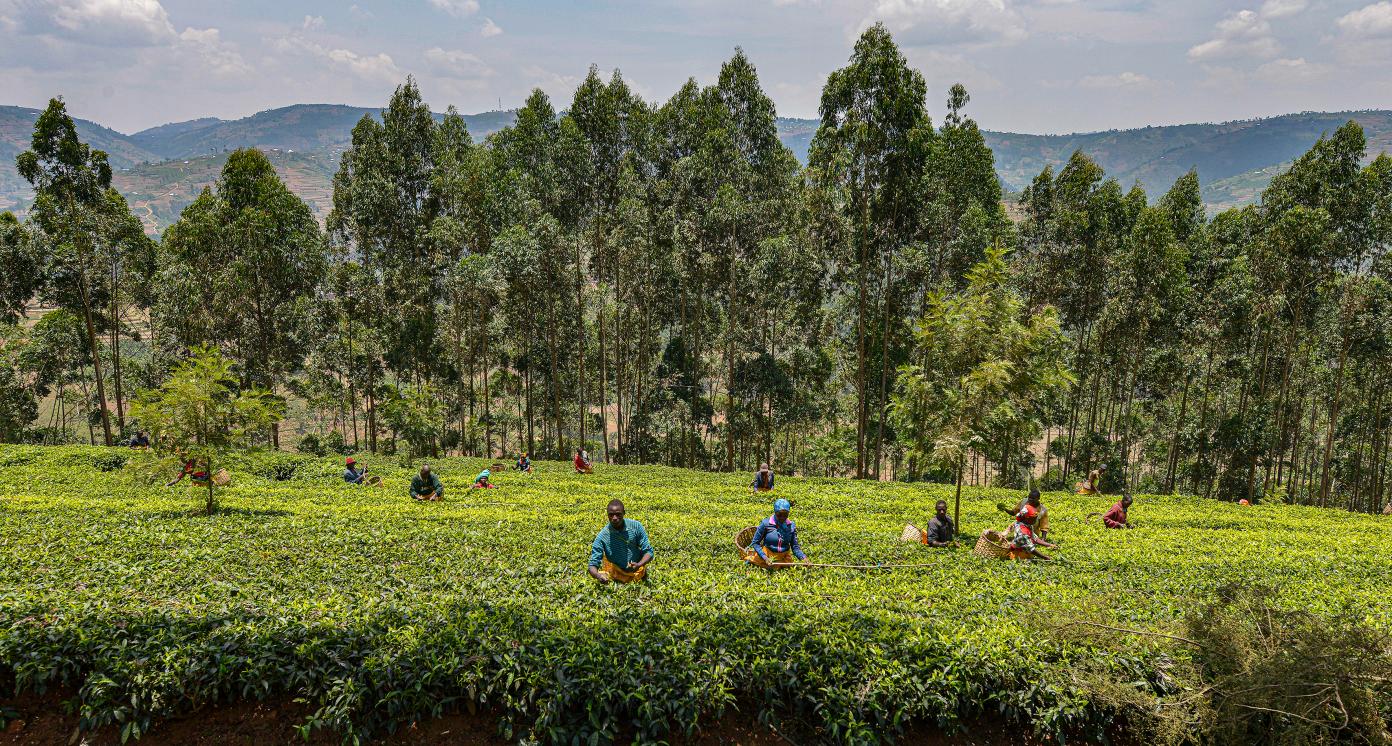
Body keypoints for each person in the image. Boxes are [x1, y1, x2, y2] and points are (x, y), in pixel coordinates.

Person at [588, 499, 653, 584]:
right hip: (616, 572)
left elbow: (649, 552)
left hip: (637, 569)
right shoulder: (602, 537)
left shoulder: (636, 526)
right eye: (611, 515)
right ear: (607, 515)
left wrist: (639, 564)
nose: (614, 518)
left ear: (624, 513)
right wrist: (597, 575)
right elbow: (593, 564)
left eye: (618, 514)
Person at [746, 498, 809, 568]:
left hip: (784, 557)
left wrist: (803, 558)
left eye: (785, 514)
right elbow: (755, 543)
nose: (782, 517)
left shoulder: (791, 526)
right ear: (775, 512)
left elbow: (795, 547)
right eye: (779, 514)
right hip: (767, 555)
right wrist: (764, 557)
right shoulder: (766, 523)